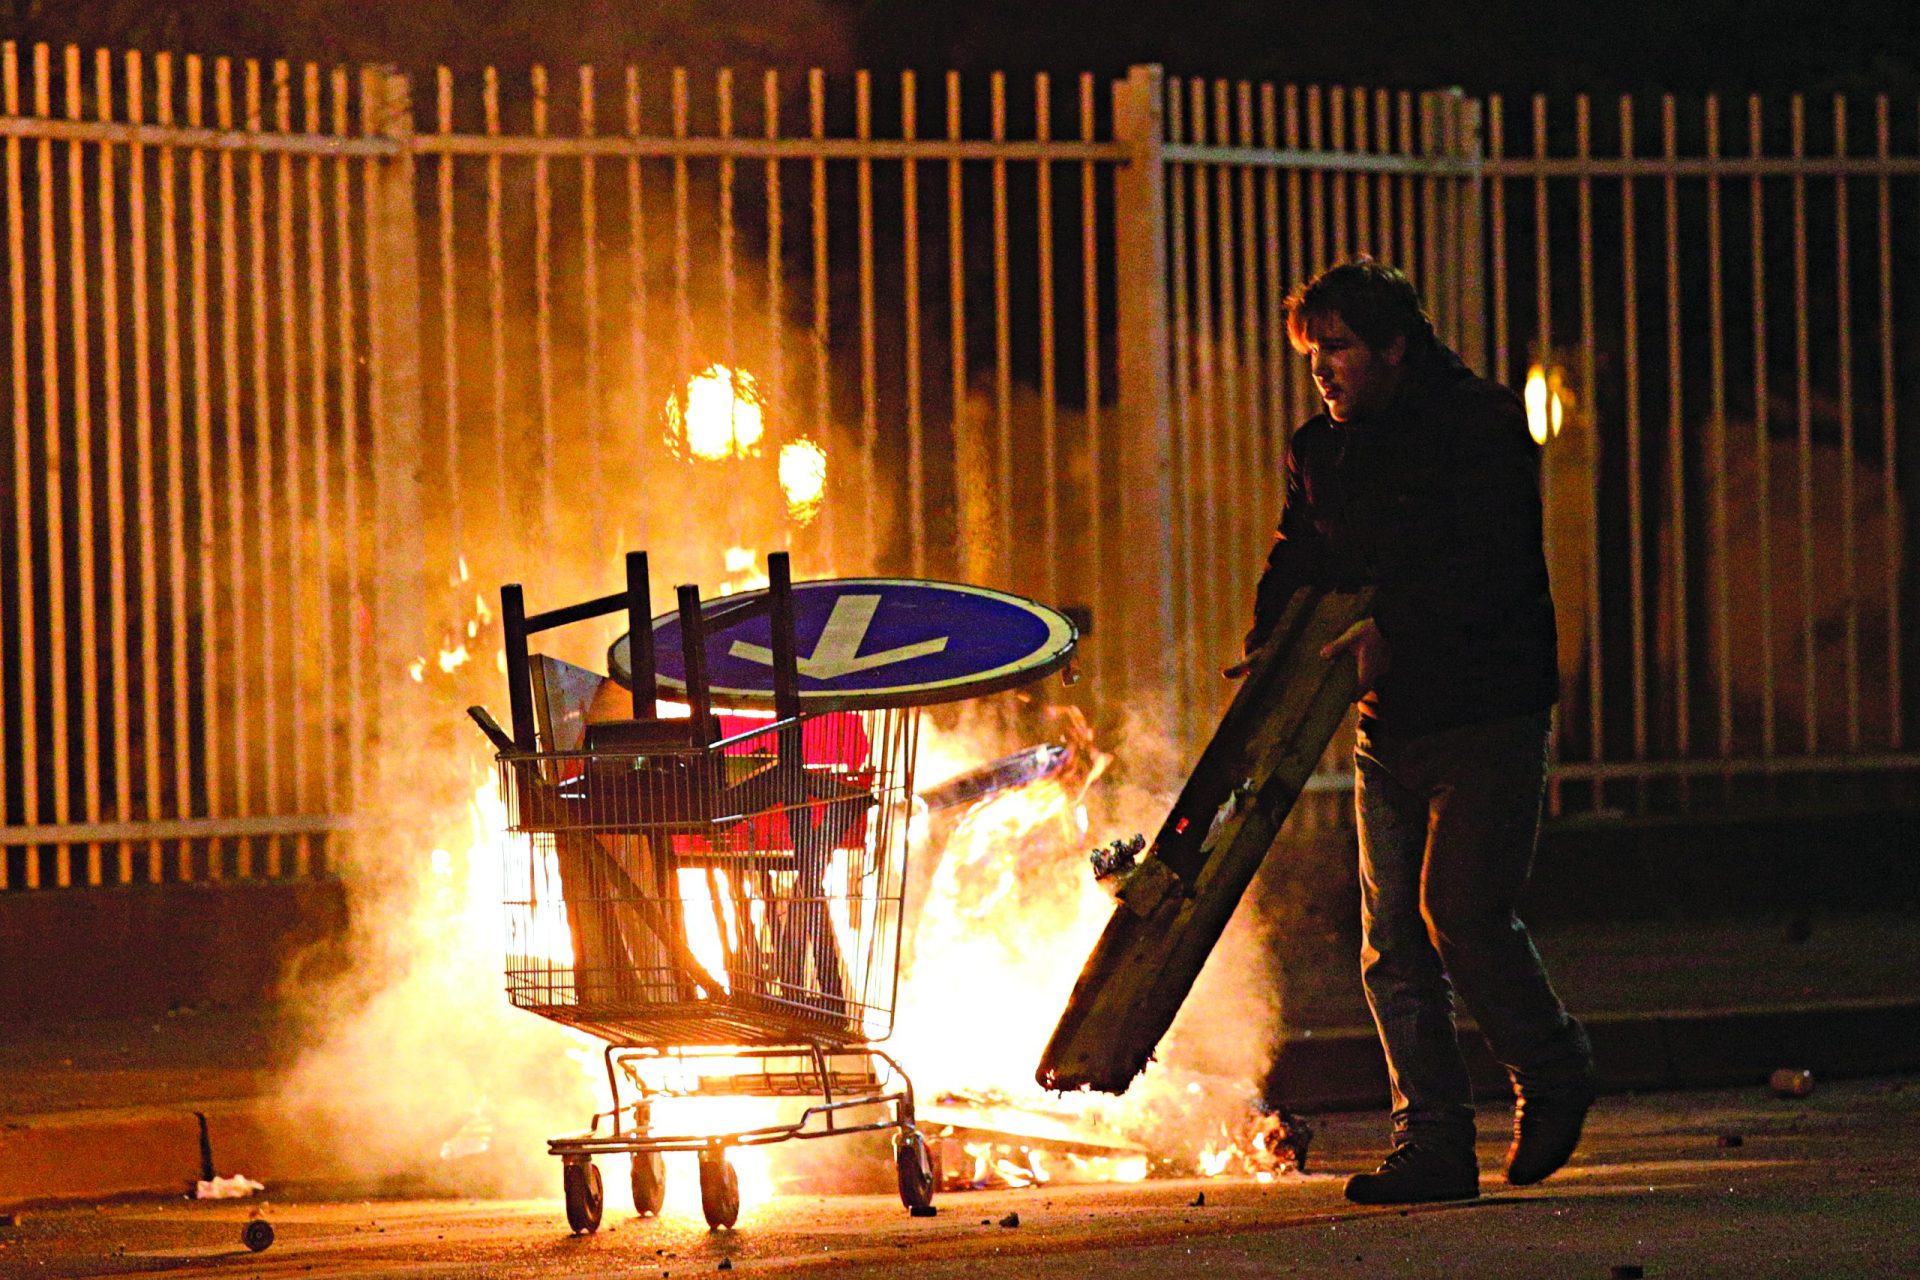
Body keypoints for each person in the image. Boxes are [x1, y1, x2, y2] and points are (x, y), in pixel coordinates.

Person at [1234, 260, 1594, 1205]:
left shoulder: (1476, 426)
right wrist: (1269, 644)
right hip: (1388, 727)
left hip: (1487, 712)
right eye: (1314, 352)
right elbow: (1300, 551)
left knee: (1461, 913)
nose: (1323, 369)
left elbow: (1491, 564)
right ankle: (1433, 1144)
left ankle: (1552, 1069)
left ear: (1396, 345)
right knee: (1391, 943)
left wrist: (1394, 631)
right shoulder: (1323, 450)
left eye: (1340, 348)